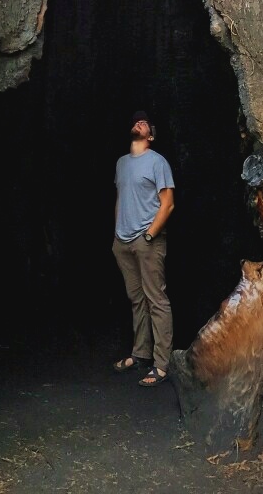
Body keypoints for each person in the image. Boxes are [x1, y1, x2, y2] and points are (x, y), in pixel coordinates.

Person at [112, 110, 175, 387]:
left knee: (156, 300)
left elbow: (168, 203)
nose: (139, 122)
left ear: (150, 136)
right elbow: (120, 198)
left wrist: (150, 235)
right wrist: (117, 233)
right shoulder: (122, 163)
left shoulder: (157, 162)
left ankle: (161, 364)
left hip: (146, 240)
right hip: (123, 241)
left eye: (145, 123)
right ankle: (140, 354)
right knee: (137, 299)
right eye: (136, 120)